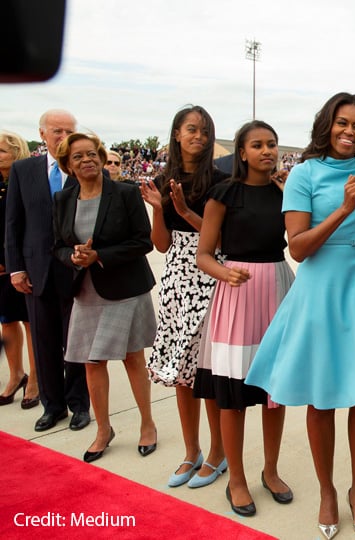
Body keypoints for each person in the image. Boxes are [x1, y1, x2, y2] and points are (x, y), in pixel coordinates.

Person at [246, 93, 355, 540]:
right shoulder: (304, 175)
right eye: (342, 123)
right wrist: (345, 211)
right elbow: (298, 247)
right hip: (321, 289)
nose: (350, 132)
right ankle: (328, 491)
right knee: (322, 396)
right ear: (327, 124)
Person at [194, 120, 294, 517]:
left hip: (279, 289)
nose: (267, 151)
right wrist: (224, 273)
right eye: (257, 145)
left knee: (275, 393)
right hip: (236, 293)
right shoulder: (223, 194)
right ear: (241, 152)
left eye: (271, 144)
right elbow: (204, 254)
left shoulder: (284, 192)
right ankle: (236, 478)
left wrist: (292, 195)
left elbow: (299, 237)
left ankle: (270, 470)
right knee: (231, 396)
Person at [51, 133, 157, 463]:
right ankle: (103, 429)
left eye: (93, 154)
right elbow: (59, 247)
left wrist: (100, 255)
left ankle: (147, 424)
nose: (88, 160)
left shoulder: (125, 194)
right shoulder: (63, 200)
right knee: (91, 362)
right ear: (68, 165)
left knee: (131, 357)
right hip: (86, 292)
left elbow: (144, 242)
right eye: (79, 156)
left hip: (124, 289)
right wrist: (73, 257)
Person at [141, 105, 229, 488]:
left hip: (211, 274)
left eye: (205, 131)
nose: (199, 136)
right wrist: (162, 209)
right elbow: (160, 245)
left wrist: (185, 211)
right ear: (176, 133)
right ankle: (191, 451)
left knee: (208, 373)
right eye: (191, 129)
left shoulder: (223, 181)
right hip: (177, 276)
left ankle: (218, 454)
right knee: (181, 373)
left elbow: (225, 240)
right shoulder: (164, 180)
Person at [4, 109, 90, 432]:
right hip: (36, 273)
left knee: (77, 344)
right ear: (42, 134)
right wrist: (16, 269)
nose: (64, 137)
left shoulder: (85, 168)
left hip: (76, 273)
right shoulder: (23, 171)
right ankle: (52, 406)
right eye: (57, 131)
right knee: (44, 342)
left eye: (70, 130)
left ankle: (80, 404)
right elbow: (13, 224)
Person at [0, 131, 38, 408]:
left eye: (1, 151)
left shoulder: (25, 180)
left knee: (30, 322)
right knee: (6, 321)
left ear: (16, 152)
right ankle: (16, 375)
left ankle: (36, 379)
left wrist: (15, 263)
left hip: (20, 263)